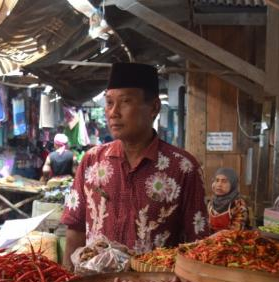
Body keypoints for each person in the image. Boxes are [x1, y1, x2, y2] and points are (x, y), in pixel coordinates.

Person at [61, 62, 209, 268]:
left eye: (125, 102)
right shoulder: (92, 161)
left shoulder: (182, 167)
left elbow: (197, 244)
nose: (114, 112)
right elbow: (75, 227)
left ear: (154, 108)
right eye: (109, 103)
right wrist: (66, 281)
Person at [208, 168, 248, 232]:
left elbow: (236, 231)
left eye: (224, 181)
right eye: (217, 180)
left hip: (231, 240)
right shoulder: (212, 202)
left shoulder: (238, 204)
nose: (219, 185)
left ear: (232, 184)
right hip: (211, 240)